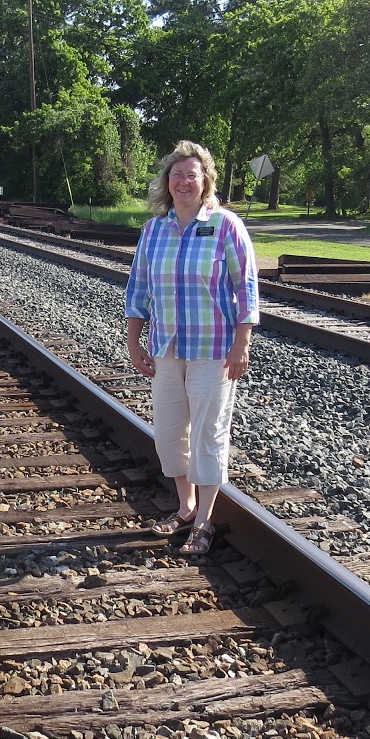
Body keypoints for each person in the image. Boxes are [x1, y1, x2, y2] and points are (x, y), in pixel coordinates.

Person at [124, 140, 259, 555]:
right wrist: (133, 340)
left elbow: (246, 286)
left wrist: (242, 343)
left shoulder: (225, 225)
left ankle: (204, 523)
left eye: (192, 175)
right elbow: (139, 288)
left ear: (205, 182)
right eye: (177, 174)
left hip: (214, 349)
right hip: (166, 347)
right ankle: (185, 505)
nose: (184, 182)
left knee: (208, 433)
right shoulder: (155, 229)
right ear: (168, 182)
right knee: (167, 434)